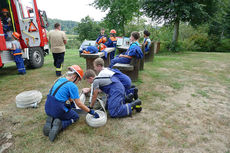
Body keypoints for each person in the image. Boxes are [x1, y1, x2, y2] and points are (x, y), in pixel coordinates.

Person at [43, 65, 99, 142]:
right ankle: (60, 125)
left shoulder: (60, 80)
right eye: (78, 80)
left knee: (60, 110)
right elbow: (79, 104)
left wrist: (71, 102)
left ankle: (51, 119)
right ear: (74, 77)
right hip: (57, 109)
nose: (78, 82)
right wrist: (90, 111)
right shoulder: (72, 86)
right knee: (75, 117)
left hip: (47, 106)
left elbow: (66, 95)